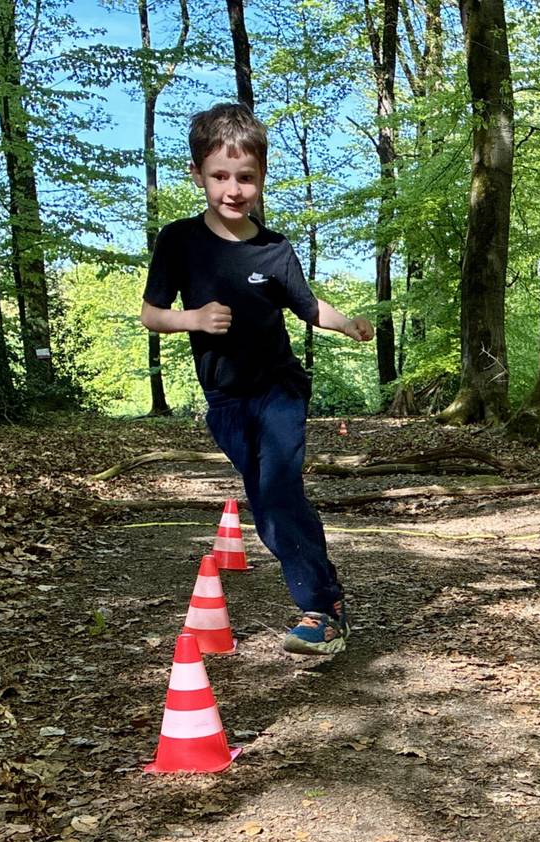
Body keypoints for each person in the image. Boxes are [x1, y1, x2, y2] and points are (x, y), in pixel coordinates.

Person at [140, 103, 374, 656]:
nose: (233, 189)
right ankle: (327, 597)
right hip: (225, 399)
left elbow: (308, 305)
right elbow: (151, 314)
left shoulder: (274, 249)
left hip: (279, 389)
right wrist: (194, 319)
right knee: (267, 502)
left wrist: (347, 323)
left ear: (262, 177)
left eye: (245, 177)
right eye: (220, 175)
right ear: (197, 174)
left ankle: (321, 608)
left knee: (278, 489)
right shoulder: (179, 241)